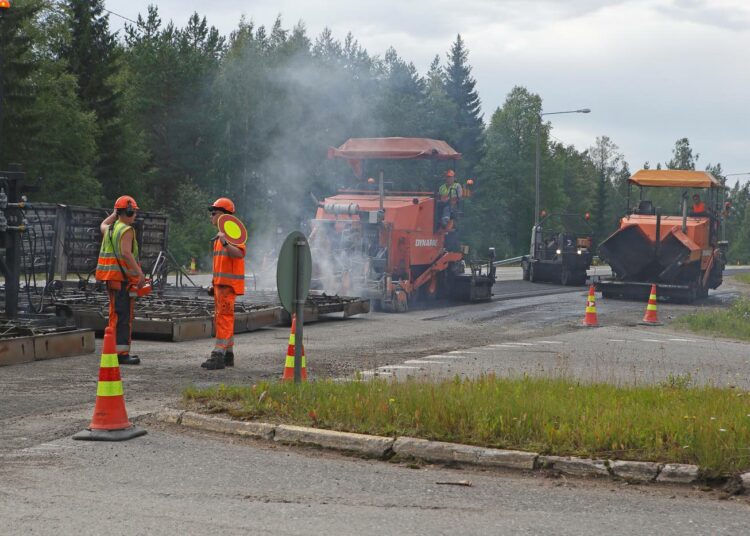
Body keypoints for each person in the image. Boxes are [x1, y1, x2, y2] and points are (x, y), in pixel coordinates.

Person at [95, 195, 146, 365]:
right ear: (129, 211)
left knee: (115, 315)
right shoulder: (126, 230)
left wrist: (114, 213)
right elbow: (126, 253)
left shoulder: (111, 228)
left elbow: (102, 224)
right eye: (134, 212)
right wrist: (139, 274)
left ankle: (113, 350)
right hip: (121, 279)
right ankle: (121, 353)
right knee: (123, 317)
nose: (135, 215)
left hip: (111, 279)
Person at [203, 197, 246, 370]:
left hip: (229, 285)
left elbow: (239, 254)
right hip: (221, 285)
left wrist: (226, 242)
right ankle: (228, 355)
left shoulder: (232, 233)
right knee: (224, 318)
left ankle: (218, 355)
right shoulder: (220, 236)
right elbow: (219, 265)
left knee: (224, 319)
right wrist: (213, 284)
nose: (211, 216)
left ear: (224, 216)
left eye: (214, 213)